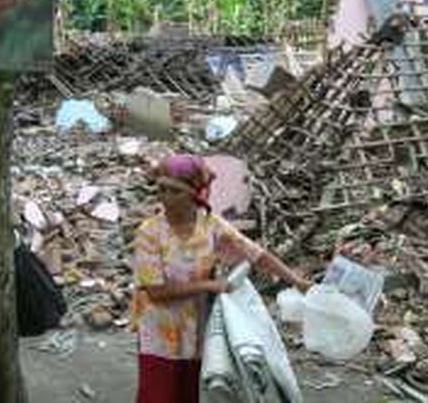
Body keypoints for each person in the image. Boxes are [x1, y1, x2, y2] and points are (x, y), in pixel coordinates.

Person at [131, 154, 311, 403]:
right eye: (161, 189)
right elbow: (155, 292)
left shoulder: (211, 226)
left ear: (194, 195)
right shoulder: (150, 232)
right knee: (159, 395)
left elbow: (256, 254)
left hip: (197, 329)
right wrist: (209, 285)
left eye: (174, 191)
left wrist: (296, 281)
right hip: (160, 333)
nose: (165, 197)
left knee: (194, 394)